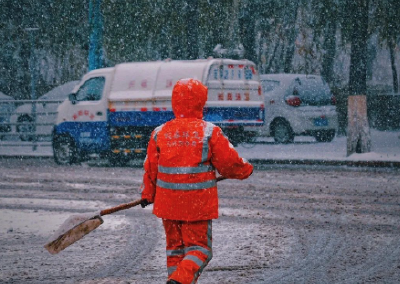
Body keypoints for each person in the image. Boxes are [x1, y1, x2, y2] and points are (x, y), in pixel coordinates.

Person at [140, 78, 253, 284]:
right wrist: (245, 170)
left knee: (175, 249)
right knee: (200, 249)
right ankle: (180, 280)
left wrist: (148, 194)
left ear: (175, 102)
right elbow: (229, 164)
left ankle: (176, 278)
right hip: (196, 204)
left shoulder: (160, 133)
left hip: (168, 206)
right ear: (202, 102)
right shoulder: (209, 132)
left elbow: (150, 169)